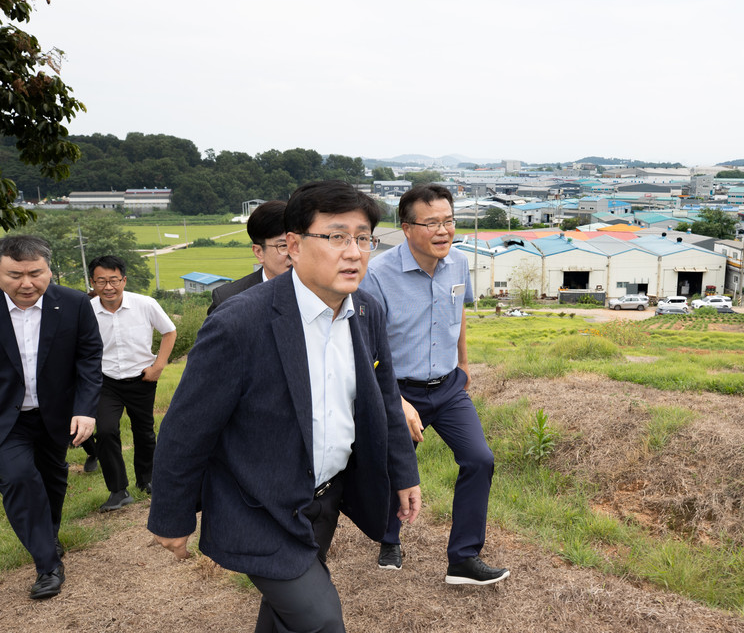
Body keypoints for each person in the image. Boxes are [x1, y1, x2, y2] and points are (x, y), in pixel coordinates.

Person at [148, 180, 421, 632]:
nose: (353, 252)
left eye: (363, 238)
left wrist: (404, 472)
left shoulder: (367, 310)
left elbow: (385, 398)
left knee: (284, 615)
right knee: (320, 619)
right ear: (292, 245)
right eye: (336, 237)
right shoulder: (241, 322)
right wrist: (171, 516)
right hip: (259, 505)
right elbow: (186, 429)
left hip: (323, 497)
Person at [361, 184, 509, 586]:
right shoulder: (377, 275)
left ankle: (463, 558)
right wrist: (395, 399)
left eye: (449, 221)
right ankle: (389, 540)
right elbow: (366, 345)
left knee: (480, 459)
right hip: (398, 389)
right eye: (432, 223)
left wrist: (462, 364)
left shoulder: (459, 263)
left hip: (447, 387)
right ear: (407, 228)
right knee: (396, 464)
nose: (443, 231)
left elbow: (456, 311)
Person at [0, 235, 102, 600]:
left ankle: (48, 538)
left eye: (35, 273)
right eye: (14, 275)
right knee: (17, 479)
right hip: (5, 420)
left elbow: (89, 359)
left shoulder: (74, 304)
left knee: (52, 482)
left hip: (55, 415)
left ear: (49, 270)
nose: (26, 283)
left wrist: (85, 409)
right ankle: (48, 566)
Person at [82, 255, 176, 512]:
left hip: (141, 378)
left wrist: (158, 366)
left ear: (124, 280)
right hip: (105, 381)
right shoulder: (86, 310)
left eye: (114, 280)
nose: (108, 287)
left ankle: (147, 480)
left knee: (144, 431)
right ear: (93, 282)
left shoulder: (145, 304)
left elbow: (169, 331)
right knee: (105, 431)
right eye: (101, 281)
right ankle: (118, 490)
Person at [208, 199, 290, 314]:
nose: (294, 253)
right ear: (259, 252)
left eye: (298, 244)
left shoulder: (320, 291)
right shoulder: (228, 300)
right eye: (283, 246)